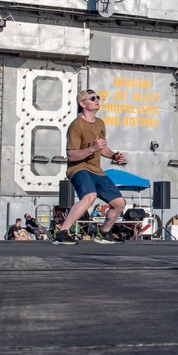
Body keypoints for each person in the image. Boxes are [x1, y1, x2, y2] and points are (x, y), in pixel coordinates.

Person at [52, 89, 128, 245]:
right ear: (82, 104)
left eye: (97, 97)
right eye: (92, 98)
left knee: (119, 203)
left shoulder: (100, 123)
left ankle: (104, 233)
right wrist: (92, 149)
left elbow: (102, 148)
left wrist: (113, 155)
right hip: (78, 168)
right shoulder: (76, 125)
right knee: (90, 196)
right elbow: (71, 155)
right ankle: (61, 232)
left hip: (96, 170)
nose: (97, 100)